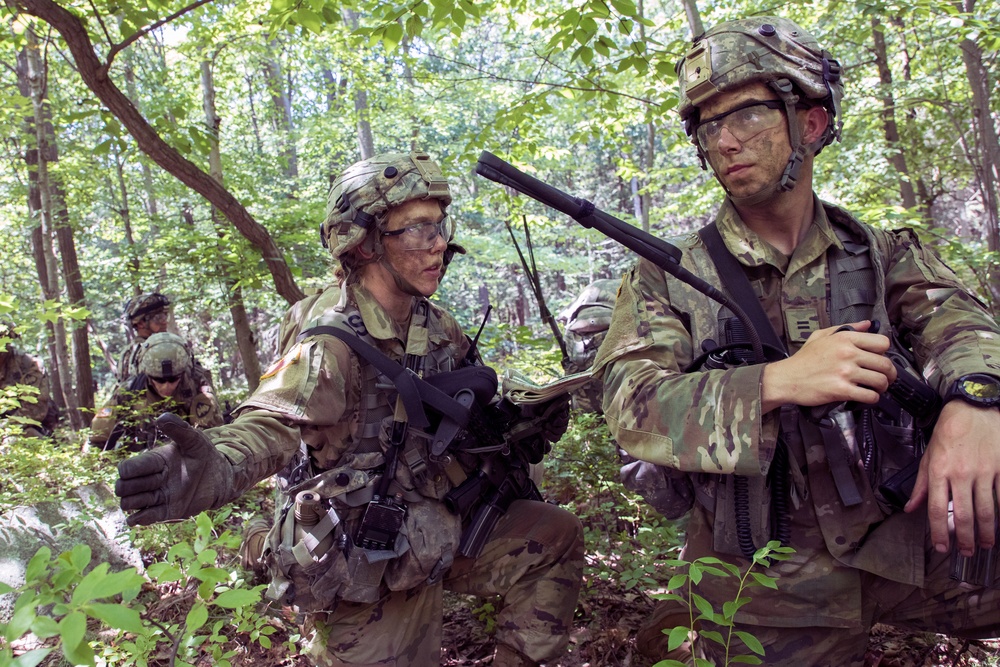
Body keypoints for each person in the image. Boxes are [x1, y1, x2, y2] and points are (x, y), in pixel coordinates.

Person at [592, 16, 1000, 665]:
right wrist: (779, 382)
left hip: (909, 533)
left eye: (748, 115)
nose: (725, 141)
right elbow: (631, 406)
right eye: (707, 124)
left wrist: (976, 404)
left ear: (809, 122)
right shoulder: (666, 280)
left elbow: (961, 322)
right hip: (766, 580)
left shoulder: (882, 252)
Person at [114, 151, 584, 667]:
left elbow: (466, 410)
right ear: (363, 244)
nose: (438, 243)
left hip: (439, 521)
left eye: (440, 225)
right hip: (366, 552)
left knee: (553, 535)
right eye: (416, 229)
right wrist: (217, 464)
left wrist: (522, 418)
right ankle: (260, 546)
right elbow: (272, 422)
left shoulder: (437, 324)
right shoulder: (330, 336)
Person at [92, 332, 222, 451]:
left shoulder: (197, 385)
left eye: (173, 379)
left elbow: (209, 437)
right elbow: (98, 436)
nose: (166, 386)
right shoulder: (131, 390)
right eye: (159, 380)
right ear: (147, 374)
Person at [118, 292, 215, 395]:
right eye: (158, 318)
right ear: (141, 323)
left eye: (165, 316)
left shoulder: (173, 345)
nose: (165, 321)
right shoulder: (133, 353)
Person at [0, 321, 57, 438]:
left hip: (23, 429)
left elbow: (33, 409)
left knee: (14, 440)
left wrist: (4, 429)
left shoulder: (29, 365)